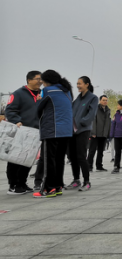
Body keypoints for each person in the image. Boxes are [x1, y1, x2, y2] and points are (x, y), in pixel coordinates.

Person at [33, 70, 73, 198]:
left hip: (52, 130)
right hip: (66, 131)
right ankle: (58, 186)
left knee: (48, 160)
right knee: (59, 159)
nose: (41, 83)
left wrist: (38, 101)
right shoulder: (67, 91)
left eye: (42, 80)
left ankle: (48, 188)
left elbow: (39, 110)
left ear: (47, 81)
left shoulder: (47, 91)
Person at [5, 70, 42, 194]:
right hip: (21, 131)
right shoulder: (18, 94)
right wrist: (17, 121)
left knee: (28, 159)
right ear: (29, 80)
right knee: (15, 159)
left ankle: (22, 183)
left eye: (41, 79)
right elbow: (10, 110)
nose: (40, 81)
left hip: (35, 133)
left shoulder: (42, 94)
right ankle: (13, 185)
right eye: (38, 79)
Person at [68, 76, 98, 191]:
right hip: (72, 131)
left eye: (80, 83)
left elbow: (91, 115)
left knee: (81, 156)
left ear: (87, 84)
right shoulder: (77, 99)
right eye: (77, 84)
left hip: (83, 131)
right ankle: (76, 180)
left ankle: (87, 181)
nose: (78, 86)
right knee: (72, 156)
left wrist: (80, 123)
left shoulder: (93, 98)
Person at [88, 95, 111, 172]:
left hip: (103, 134)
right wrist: (93, 132)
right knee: (92, 151)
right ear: (100, 100)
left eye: (106, 100)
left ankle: (99, 166)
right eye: (103, 100)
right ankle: (89, 166)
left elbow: (108, 122)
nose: (105, 101)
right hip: (95, 134)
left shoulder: (108, 110)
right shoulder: (95, 108)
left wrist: (107, 133)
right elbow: (93, 121)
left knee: (101, 151)